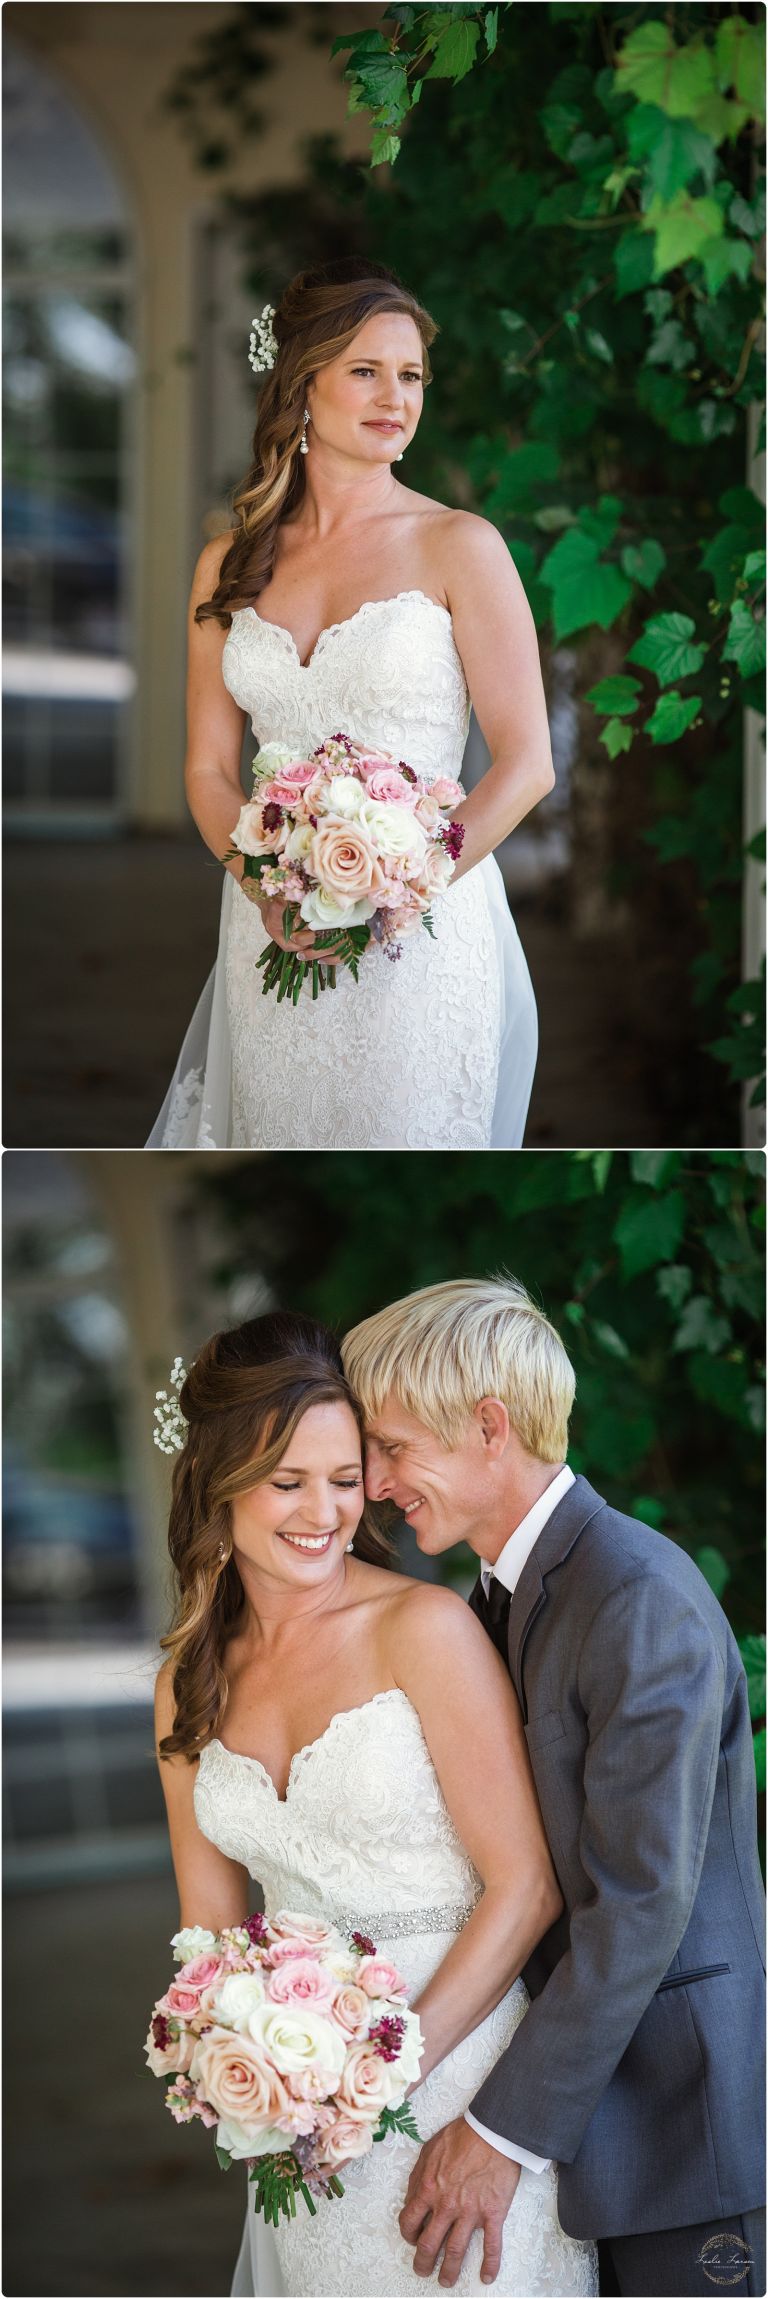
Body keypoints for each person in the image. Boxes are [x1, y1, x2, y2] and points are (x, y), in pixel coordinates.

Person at [153, 1309, 598, 2298]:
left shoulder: (425, 1629)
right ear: (218, 1486)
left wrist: (378, 2081)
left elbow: (524, 1888)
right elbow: (210, 1935)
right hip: (300, 2126)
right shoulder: (188, 1679)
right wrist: (243, 2074)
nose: (326, 1511)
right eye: (288, 1482)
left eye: (347, 1480)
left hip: (461, 2090)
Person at [342, 1275, 767, 2299]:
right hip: (600, 2126)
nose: (376, 1478)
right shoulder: (498, 1600)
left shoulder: (635, 1596)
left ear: (490, 1426)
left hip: (682, 2129)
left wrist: (500, 2130)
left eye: (395, 1446)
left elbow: (638, 1904)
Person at [146, 258, 551, 1150]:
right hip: (272, 928)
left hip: (423, 938)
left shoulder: (461, 547)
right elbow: (209, 766)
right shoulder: (229, 562)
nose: (395, 397)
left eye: (411, 376)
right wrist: (265, 890)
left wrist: (401, 887)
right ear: (302, 383)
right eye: (366, 370)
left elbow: (526, 764)